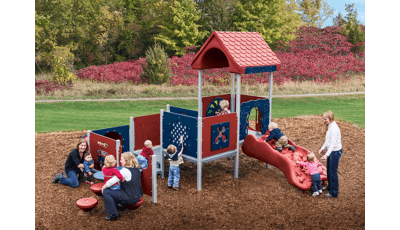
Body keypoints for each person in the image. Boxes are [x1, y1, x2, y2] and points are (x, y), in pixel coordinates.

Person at [101, 152, 143, 221]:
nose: (120, 161)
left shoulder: (125, 171)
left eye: (121, 160)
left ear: (126, 161)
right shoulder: (136, 169)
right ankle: (117, 206)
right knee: (117, 189)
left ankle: (114, 214)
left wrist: (103, 187)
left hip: (130, 199)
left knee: (106, 191)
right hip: (137, 196)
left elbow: (111, 181)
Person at [318, 110, 342, 198]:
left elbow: (332, 144)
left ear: (330, 118)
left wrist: (326, 154)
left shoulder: (334, 129)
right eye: (324, 119)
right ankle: (330, 187)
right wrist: (322, 148)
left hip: (335, 152)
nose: (324, 121)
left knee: (333, 172)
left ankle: (334, 192)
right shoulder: (330, 126)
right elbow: (328, 141)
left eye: (326, 119)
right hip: (331, 151)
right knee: (329, 170)